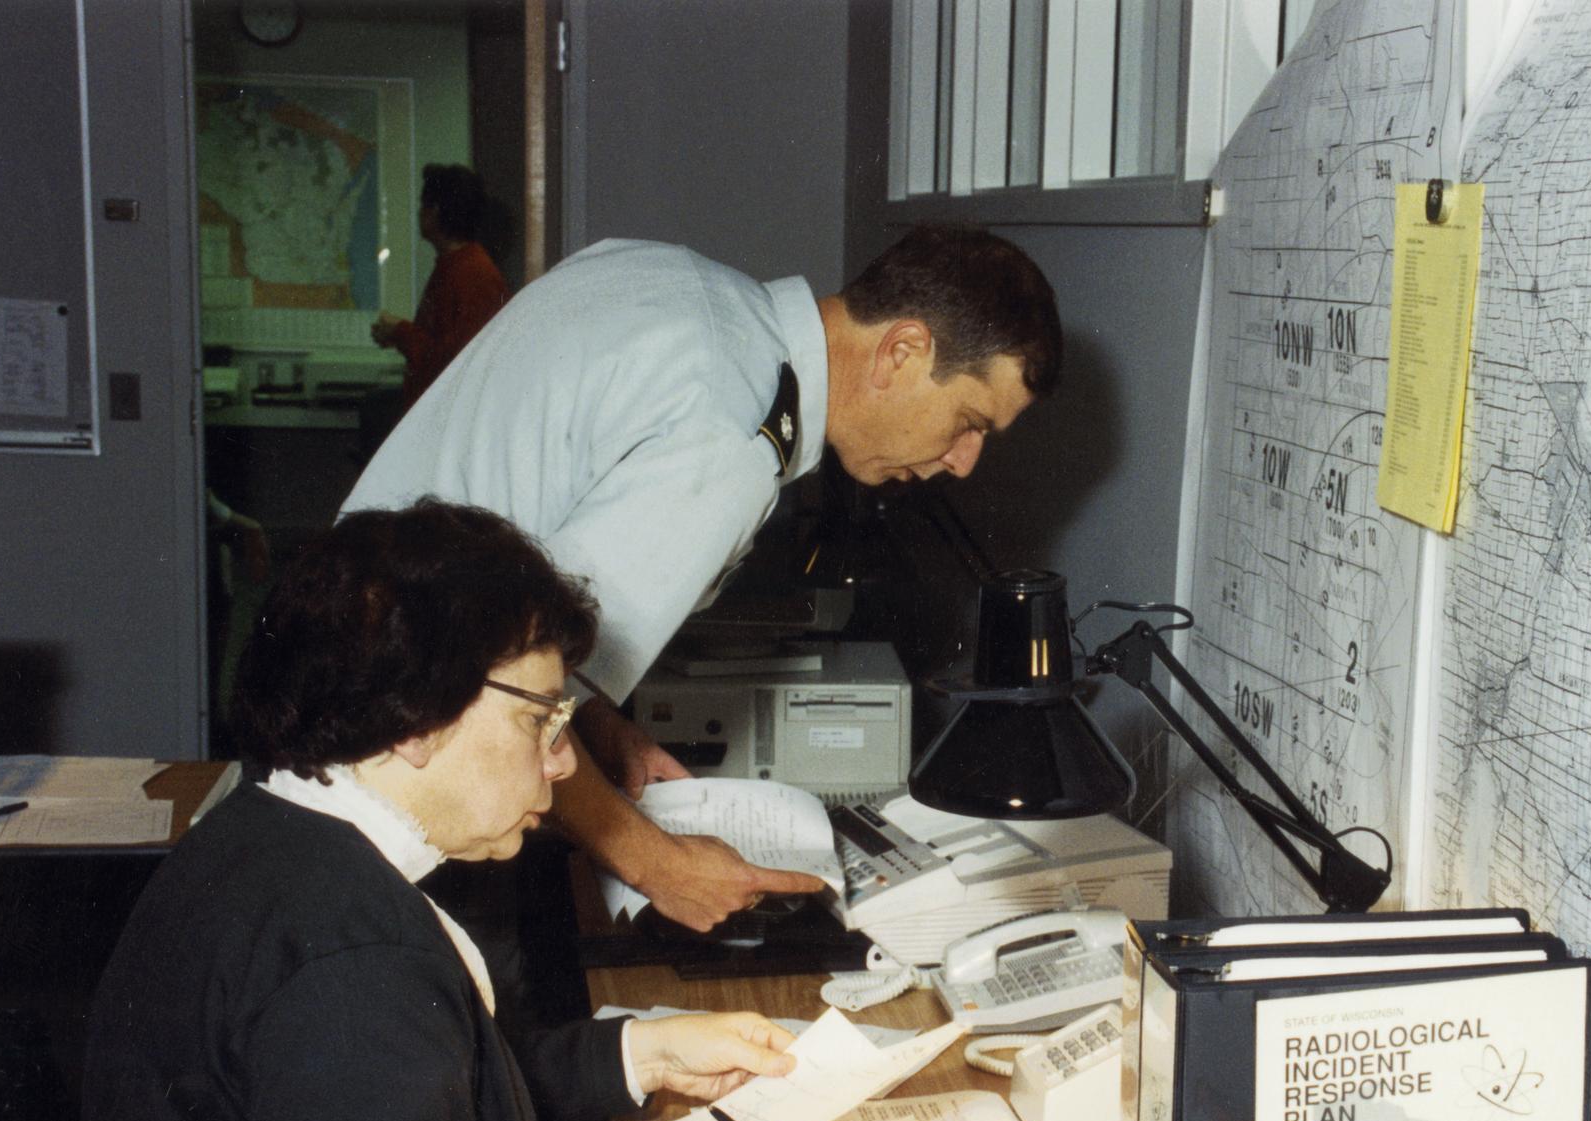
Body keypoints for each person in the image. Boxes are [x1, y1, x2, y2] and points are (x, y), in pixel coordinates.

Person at [46, 500, 815, 1121]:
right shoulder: (351, 955)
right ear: (415, 717)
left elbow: (400, 1105)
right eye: (539, 722)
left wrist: (638, 1057)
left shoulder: (266, 837)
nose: (563, 766)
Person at [342, 225, 1062, 930]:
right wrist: (661, 867)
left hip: (341, 666)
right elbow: (514, 700)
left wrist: (599, 718)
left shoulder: (675, 280)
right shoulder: (732, 437)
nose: (965, 461)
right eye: (971, 420)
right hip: (396, 766)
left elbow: (536, 557)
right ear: (902, 351)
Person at [370, 164, 512, 412]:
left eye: (423, 205)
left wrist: (400, 331)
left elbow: (454, 365)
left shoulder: (474, 275)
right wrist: (397, 334)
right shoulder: (455, 266)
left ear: (434, 212)